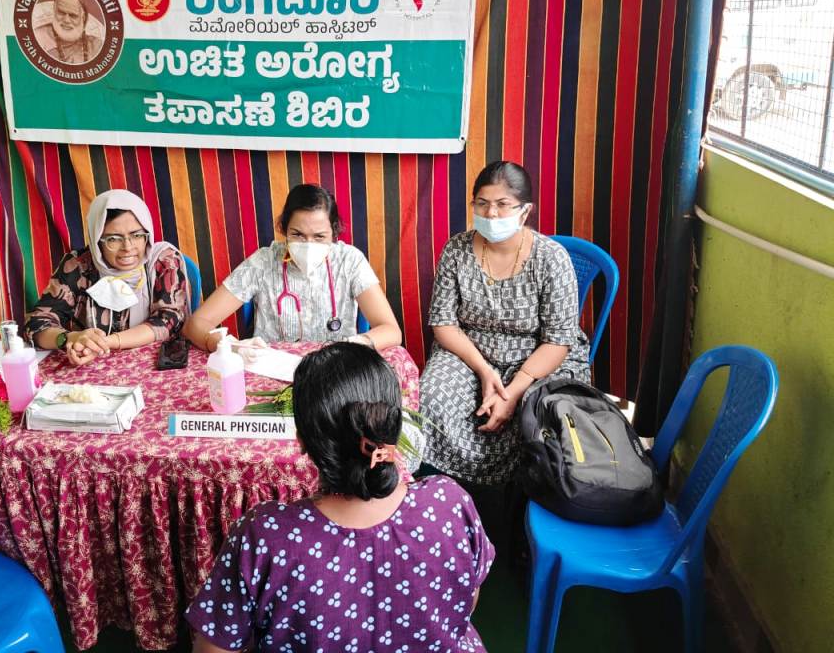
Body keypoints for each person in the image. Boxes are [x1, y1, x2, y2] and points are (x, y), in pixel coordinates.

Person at [185, 343, 494, 652]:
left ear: (302, 439)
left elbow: (213, 649)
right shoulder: (448, 502)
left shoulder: (265, 535)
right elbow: (468, 600)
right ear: (392, 427)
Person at [419, 162, 590, 542]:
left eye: (502, 204)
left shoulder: (551, 258)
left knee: (535, 413)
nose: (491, 214)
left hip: (538, 356)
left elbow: (559, 339)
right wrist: (484, 371)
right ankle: (444, 510)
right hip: (470, 351)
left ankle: (516, 521)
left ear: (525, 211)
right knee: (431, 397)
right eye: (482, 204)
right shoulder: (457, 249)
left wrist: (512, 392)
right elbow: (443, 323)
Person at [183, 184, 401, 352]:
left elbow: (391, 330)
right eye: (297, 235)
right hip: (272, 373)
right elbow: (196, 324)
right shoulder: (263, 262)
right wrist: (227, 346)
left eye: (319, 236)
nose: (308, 244)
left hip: (335, 371)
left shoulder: (349, 261)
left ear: (334, 233)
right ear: (284, 229)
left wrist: (358, 343)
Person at [25, 189, 188, 365]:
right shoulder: (78, 265)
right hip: (91, 366)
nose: (128, 247)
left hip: (152, 364)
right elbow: (36, 323)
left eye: (137, 235)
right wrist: (70, 338)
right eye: (113, 239)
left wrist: (102, 344)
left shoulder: (163, 260)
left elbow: (169, 320)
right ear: (97, 240)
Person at [33, 0, 103, 65]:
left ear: (83, 17)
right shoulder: (38, 36)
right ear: (54, 11)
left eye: (73, 15)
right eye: (61, 13)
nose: (66, 20)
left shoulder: (96, 45)